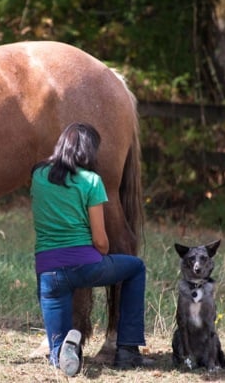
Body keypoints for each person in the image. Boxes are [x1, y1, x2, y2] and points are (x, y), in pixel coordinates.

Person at [30, 122, 148, 376]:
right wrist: (100, 254)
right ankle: (127, 349)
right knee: (135, 268)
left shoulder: (38, 175)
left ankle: (65, 349)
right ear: (89, 151)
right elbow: (101, 241)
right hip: (85, 266)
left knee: (56, 354)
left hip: (48, 275)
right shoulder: (92, 181)